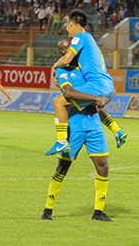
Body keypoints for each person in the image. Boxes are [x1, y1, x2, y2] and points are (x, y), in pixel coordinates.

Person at [41, 65, 112, 222]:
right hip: (75, 127)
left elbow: (105, 93)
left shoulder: (87, 69)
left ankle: (98, 212)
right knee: (62, 168)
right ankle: (48, 209)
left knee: (103, 167)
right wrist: (94, 98)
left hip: (94, 127)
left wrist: (114, 127)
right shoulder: (62, 72)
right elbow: (69, 94)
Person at [46, 10, 116, 155]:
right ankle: (116, 130)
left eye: (66, 25)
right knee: (71, 100)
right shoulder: (90, 40)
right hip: (106, 83)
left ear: (70, 24)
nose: (66, 28)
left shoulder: (80, 37)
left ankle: (62, 142)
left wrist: (54, 68)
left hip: (97, 84)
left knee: (59, 102)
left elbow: (66, 59)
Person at [54, 37, 127, 146]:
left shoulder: (84, 64)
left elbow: (112, 91)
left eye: (69, 46)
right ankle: (116, 130)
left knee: (61, 101)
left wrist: (100, 103)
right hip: (79, 116)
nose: (67, 49)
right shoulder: (63, 69)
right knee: (88, 104)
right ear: (60, 52)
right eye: (63, 48)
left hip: (85, 121)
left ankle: (61, 141)